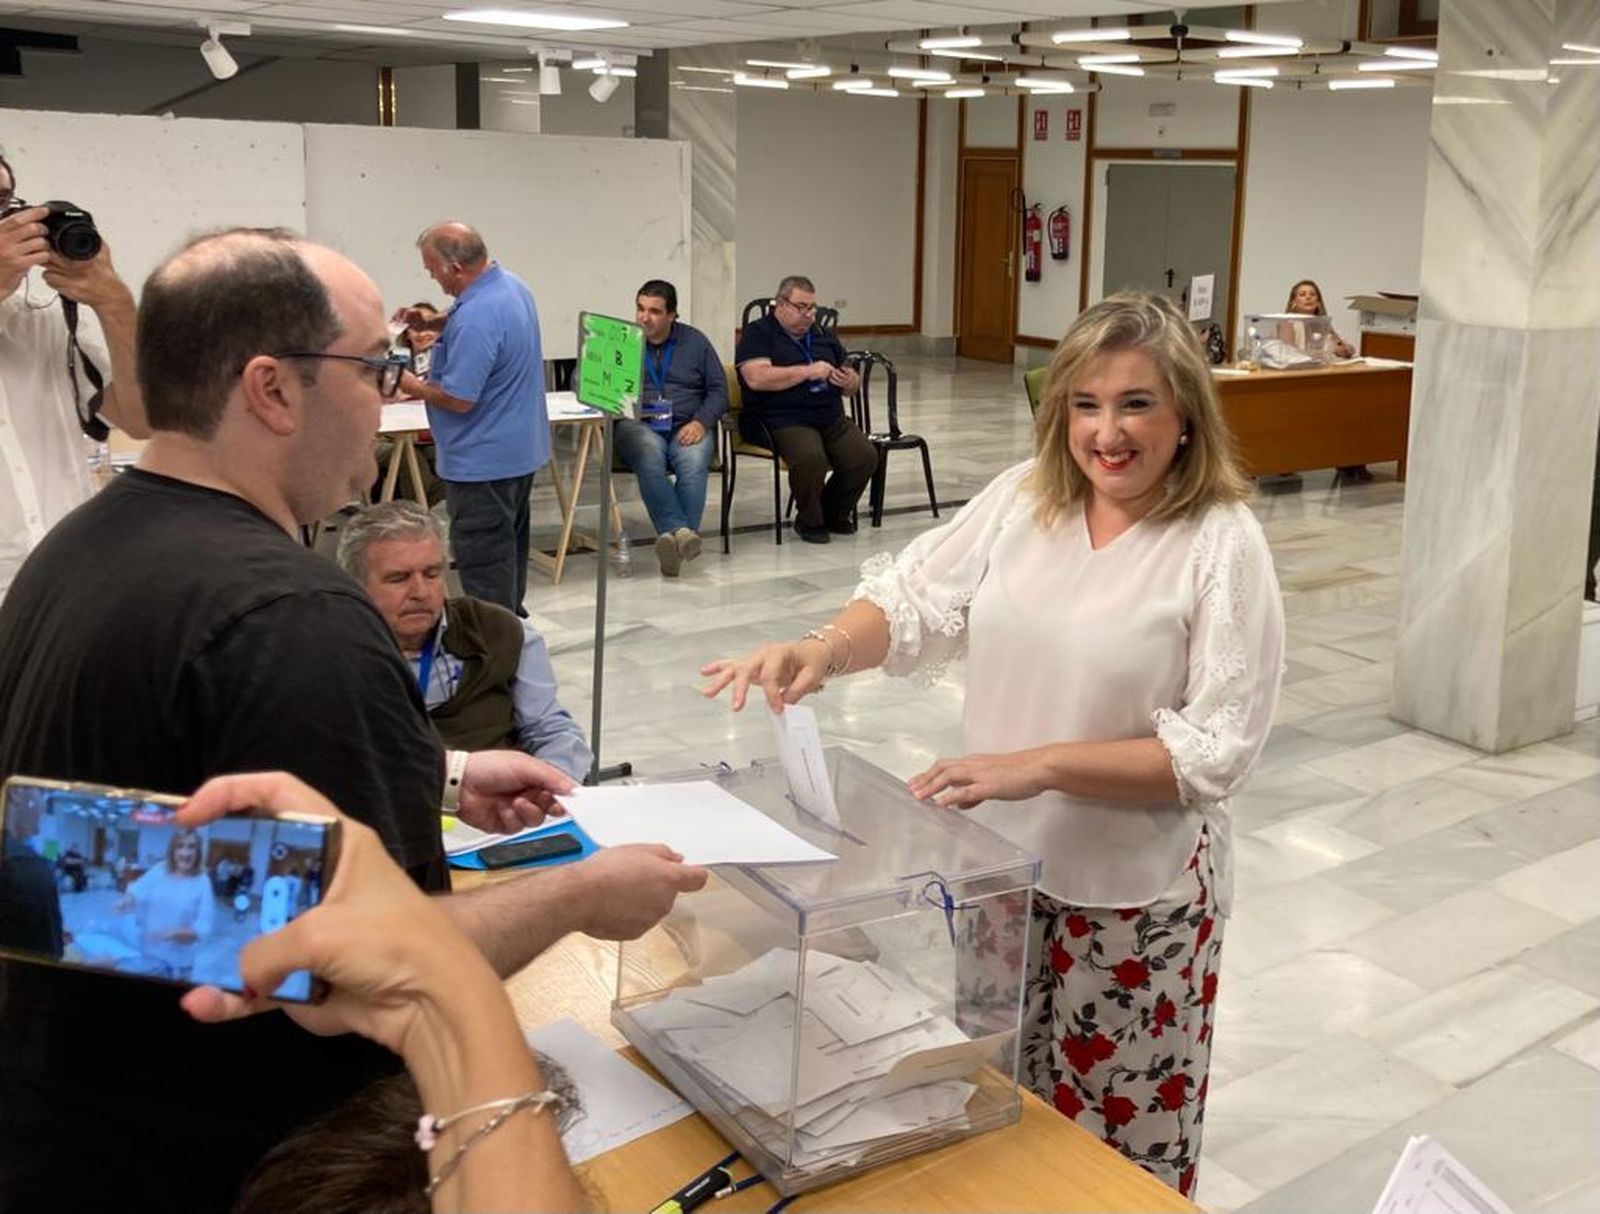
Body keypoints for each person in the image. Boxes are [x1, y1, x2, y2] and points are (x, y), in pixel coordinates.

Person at [0, 227, 706, 1214]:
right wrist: (583, 892)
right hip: (236, 1158)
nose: (392, 397)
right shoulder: (295, 615)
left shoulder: (78, 550)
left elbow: (88, 869)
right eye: (377, 367)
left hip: (71, 1128)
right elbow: (392, 966)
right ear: (272, 388)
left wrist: (438, 773)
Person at [703, 292, 1285, 1198]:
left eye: (1136, 403)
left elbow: (1212, 754)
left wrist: (1038, 765)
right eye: (1085, 404)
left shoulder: (1218, 541)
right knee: (997, 1116)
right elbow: (913, 600)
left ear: (1184, 416)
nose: (1108, 432)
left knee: (1112, 1155)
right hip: (1004, 880)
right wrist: (816, 650)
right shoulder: (1027, 499)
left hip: (1137, 898)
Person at [338, 500, 592, 781]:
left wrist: (550, 784)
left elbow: (550, 730)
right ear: (355, 586)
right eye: (399, 578)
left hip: (497, 809)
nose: (420, 591)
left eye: (432, 573)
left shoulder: (502, 632)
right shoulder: (329, 652)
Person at [0, 149, 149, 599]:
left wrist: (115, 304)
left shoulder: (43, 318)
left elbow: (142, 419)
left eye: (5, 202)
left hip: (64, 590)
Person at [398, 223, 547, 615]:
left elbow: (459, 399)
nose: (431, 277)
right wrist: (433, 324)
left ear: (455, 268)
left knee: (485, 574)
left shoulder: (479, 313)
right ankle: (512, 632)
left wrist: (410, 386)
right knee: (509, 556)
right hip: (517, 451)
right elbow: (477, 321)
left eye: (432, 270)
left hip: (482, 464)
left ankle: (497, 655)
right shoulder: (510, 286)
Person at [735, 275, 876, 543]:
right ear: (781, 304)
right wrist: (807, 371)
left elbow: (851, 379)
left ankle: (832, 513)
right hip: (781, 417)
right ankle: (810, 521)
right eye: (802, 307)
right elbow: (756, 378)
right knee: (811, 458)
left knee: (864, 456)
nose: (809, 315)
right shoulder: (759, 333)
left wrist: (850, 381)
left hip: (829, 415)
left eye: (812, 308)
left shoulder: (823, 335)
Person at [612, 280, 728, 577]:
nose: (644, 317)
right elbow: (582, 379)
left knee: (693, 462)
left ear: (672, 315)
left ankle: (672, 545)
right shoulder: (622, 340)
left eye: (654, 311)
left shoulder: (696, 342)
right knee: (648, 453)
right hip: (638, 424)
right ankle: (681, 532)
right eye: (640, 308)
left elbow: (719, 390)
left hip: (688, 423)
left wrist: (701, 422)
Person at [1284, 279, 1367, 482]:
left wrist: (1344, 349)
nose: (1308, 297)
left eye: (1313, 294)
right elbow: (1288, 352)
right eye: (1302, 294)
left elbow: (1341, 347)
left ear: (1319, 302)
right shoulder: (1286, 323)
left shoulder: (1323, 324)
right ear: (1293, 302)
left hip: (1321, 376)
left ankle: (1350, 460)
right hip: (1297, 380)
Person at [117, 827, 214, 980]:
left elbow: (203, 927)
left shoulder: (202, 881)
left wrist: (172, 933)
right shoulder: (159, 870)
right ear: (172, 850)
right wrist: (126, 900)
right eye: (180, 846)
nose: (185, 853)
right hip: (148, 954)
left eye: (191, 847)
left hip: (178, 964)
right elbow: (137, 890)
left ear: (198, 852)